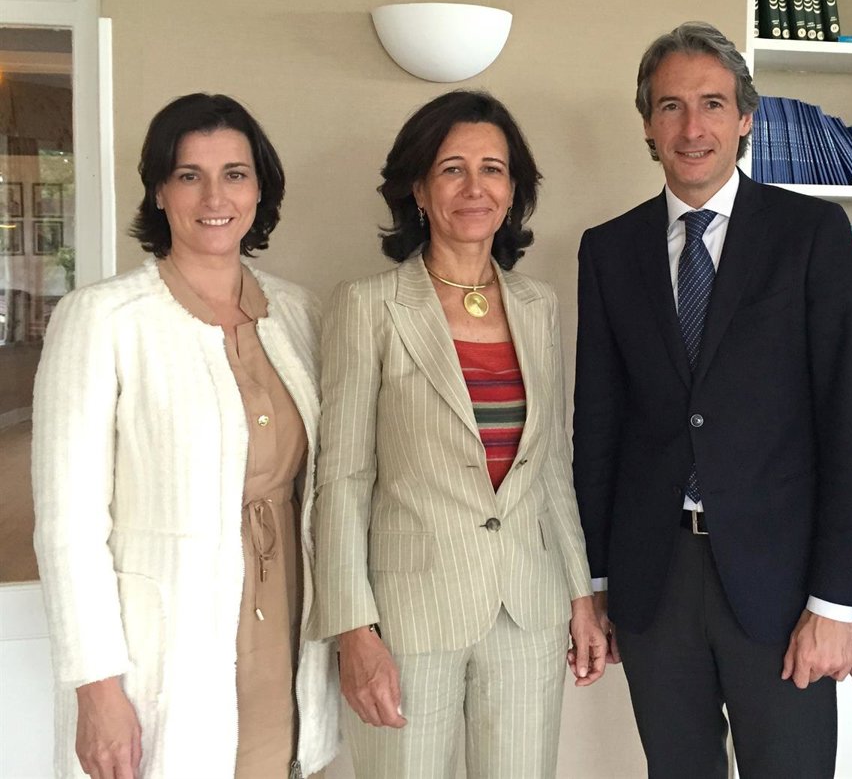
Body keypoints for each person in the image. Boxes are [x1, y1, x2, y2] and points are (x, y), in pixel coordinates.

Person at [572, 21, 852, 778]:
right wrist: (596, 580)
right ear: (647, 124)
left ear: (746, 117)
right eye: (671, 106)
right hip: (654, 578)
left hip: (783, 585)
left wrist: (837, 601)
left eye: (712, 104)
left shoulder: (811, 232)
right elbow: (599, 425)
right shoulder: (608, 249)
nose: (692, 127)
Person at [31, 93, 340, 779]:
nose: (214, 197)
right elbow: (68, 525)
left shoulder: (301, 314)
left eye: (234, 174)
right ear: (159, 191)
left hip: (288, 622)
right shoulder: (103, 318)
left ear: (259, 188)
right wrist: (96, 686)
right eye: (189, 175)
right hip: (168, 646)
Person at [311, 89, 605, 779]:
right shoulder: (368, 306)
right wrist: (353, 628)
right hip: (407, 617)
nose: (475, 187)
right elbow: (342, 479)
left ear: (514, 190)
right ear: (418, 189)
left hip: (527, 608)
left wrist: (580, 596)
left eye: (493, 169)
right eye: (452, 169)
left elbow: (551, 467)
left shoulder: (538, 305)